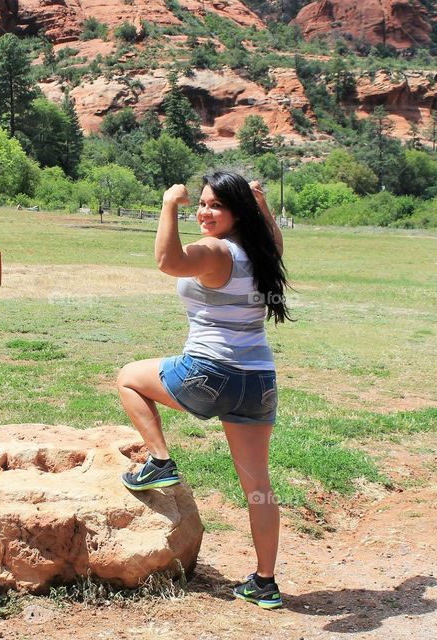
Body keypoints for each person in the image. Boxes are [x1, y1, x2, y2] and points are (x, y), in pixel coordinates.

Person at [116, 171, 291, 609]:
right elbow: (274, 237)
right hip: (258, 381)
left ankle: (160, 461)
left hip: (209, 372)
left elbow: (168, 261)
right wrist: (262, 205)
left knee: (129, 377)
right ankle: (264, 583)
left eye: (216, 206)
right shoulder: (264, 250)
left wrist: (168, 204)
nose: (204, 212)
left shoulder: (216, 250)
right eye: (202, 203)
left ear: (237, 214)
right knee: (258, 486)